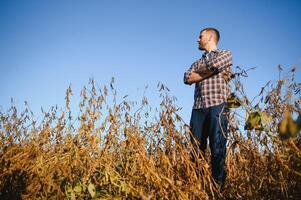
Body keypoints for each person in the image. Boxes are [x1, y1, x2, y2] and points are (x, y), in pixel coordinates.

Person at [183, 27, 232, 188]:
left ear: (210, 37)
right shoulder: (196, 62)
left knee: (217, 148)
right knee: (196, 149)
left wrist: (201, 73)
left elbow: (215, 65)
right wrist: (210, 70)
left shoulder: (225, 54)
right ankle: (198, 187)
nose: (197, 39)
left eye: (200, 36)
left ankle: (218, 188)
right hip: (198, 109)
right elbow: (187, 77)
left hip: (218, 104)